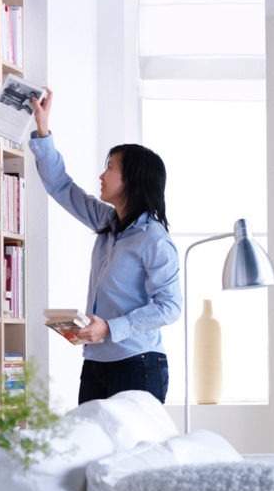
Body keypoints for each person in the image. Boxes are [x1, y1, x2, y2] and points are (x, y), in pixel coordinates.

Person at [29, 89, 181, 404]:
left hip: (138, 364)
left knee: (135, 454)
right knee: (93, 452)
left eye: (110, 167)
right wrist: (43, 130)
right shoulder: (107, 222)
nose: (102, 174)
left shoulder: (153, 239)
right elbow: (60, 186)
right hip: (96, 363)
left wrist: (110, 328)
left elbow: (170, 306)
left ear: (132, 180)